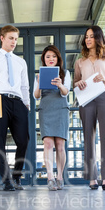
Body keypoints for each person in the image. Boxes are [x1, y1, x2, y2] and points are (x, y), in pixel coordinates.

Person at [0, 25, 30, 191]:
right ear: (2, 38)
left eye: (16, 39)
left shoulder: (20, 62)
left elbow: (25, 86)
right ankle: (6, 180)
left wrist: (26, 105)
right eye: (11, 38)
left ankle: (16, 177)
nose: (14, 42)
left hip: (18, 102)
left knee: (23, 141)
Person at [73, 25, 105, 190]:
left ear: (98, 38)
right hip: (86, 99)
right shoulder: (79, 62)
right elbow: (75, 83)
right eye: (86, 36)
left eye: (91, 36)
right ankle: (92, 177)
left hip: (104, 97)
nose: (88, 39)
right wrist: (78, 83)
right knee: (88, 137)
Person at [33, 45, 70, 191]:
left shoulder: (65, 73)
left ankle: (60, 176)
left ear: (58, 59)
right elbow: (36, 96)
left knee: (60, 145)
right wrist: (40, 83)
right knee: (48, 143)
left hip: (60, 108)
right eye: (48, 56)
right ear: (44, 59)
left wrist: (60, 85)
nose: (51, 59)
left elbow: (66, 92)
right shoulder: (39, 74)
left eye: (53, 56)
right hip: (46, 108)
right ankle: (50, 177)